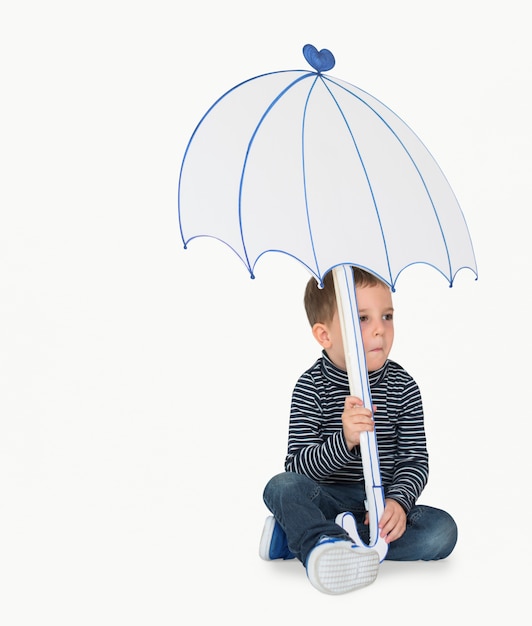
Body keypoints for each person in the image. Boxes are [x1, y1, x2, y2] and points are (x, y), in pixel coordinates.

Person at [259, 267, 457, 595]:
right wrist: (344, 440)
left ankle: (300, 538)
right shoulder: (311, 387)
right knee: (281, 487)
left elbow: (414, 460)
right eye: (363, 319)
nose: (380, 329)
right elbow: (298, 467)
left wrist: (399, 502)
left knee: (442, 532)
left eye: (387, 315)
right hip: (325, 498)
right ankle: (324, 539)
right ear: (325, 335)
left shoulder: (403, 387)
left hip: (376, 508)